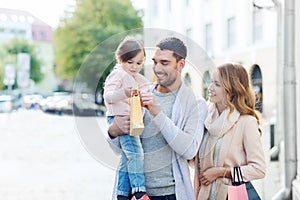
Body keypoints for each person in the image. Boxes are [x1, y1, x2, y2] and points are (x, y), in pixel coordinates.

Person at [107, 37, 208, 200]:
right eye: (155, 62)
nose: (157, 68)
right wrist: (112, 132)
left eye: (164, 63)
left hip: (169, 194)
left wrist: (157, 112)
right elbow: (119, 149)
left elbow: (189, 150)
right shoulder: (140, 92)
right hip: (135, 193)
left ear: (180, 65)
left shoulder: (195, 104)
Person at [194, 63, 266, 200]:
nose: (210, 88)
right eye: (211, 82)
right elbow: (195, 161)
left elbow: (259, 169)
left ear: (231, 90)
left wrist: (221, 172)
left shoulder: (246, 122)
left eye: (217, 84)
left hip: (232, 195)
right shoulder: (206, 119)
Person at [103, 36, 151, 200]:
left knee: (126, 157)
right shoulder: (117, 75)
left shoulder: (138, 78)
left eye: (139, 63)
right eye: (130, 62)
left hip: (132, 120)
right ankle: (139, 189)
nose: (134, 67)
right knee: (136, 154)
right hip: (120, 119)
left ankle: (122, 193)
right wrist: (123, 93)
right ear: (120, 59)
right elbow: (108, 96)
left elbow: (146, 90)